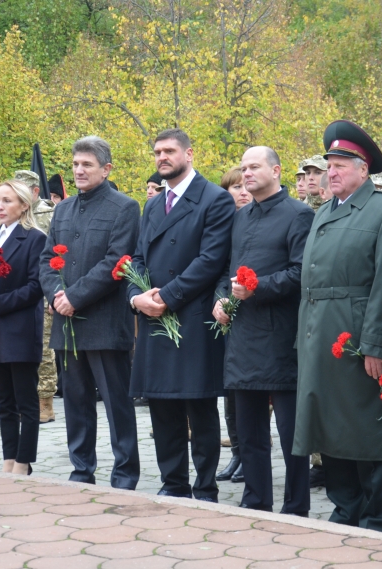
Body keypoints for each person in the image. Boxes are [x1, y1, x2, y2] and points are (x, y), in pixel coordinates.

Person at [294, 120, 382, 532]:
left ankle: (378, 517)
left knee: (368, 429)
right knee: (328, 427)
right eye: (330, 163)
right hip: (319, 335)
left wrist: (376, 343)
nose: (333, 171)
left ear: (365, 170)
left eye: (342, 163)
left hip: (357, 337)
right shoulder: (325, 210)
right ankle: (346, 509)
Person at [129, 128, 235, 501]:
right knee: (162, 408)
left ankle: (205, 487)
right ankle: (172, 483)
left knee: (198, 405)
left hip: (191, 317)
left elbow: (211, 260)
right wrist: (136, 298)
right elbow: (138, 259)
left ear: (189, 153)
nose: (162, 157)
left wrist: (167, 298)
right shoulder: (154, 204)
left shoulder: (214, 199)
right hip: (155, 318)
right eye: (157, 152)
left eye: (169, 151)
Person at [213, 146, 314, 515]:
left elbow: (303, 273)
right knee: (250, 432)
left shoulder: (299, 215)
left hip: (281, 337)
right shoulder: (240, 217)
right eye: (243, 168)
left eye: (254, 167)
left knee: (291, 437)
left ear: (276, 170)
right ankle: (255, 501)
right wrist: (222, 298)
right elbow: (227, 267)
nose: (247, 174)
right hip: (242, 337)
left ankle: (296, 507)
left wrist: (259, 287)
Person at [40, 136, 141, 489]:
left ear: (106, 169)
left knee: (116, 404)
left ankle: (125, 473)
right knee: (76, 403)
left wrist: (75, 296)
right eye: (75, 164)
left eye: (87, 165)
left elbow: (117, 262)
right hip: (67, 324)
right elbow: (46, 259)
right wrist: (56, 295)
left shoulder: (124, 208)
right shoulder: (63, 209)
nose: (79, 170)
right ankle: (81, 470)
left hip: (105, 323)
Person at [0, 180, 46, 475]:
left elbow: (35, 287)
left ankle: (23, 463)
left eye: (7, 201)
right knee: (4, 401)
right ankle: (8, 459)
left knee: (25, 402)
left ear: (24, 205)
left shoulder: (34, 239)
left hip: (19, 329)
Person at [215, 166, 251, 484]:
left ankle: (251, 455)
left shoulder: (257, 221)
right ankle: (237, 454)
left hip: (252, 314)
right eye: (234, 187)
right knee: (229, 392)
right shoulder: (223, 223)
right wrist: (219, 298)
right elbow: (219, 269)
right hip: (224, 315)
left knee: (247, 394)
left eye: (245, 185)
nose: (241, 191)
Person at [14, 169, 59, 423]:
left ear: (34, 191)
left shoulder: (51, 213)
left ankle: (45, 402)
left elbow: (61, 254)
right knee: (21, 348)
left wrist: (56, 292)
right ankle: (27, 399)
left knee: (42, 349)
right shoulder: (12, 214)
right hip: (19, 291)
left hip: (44, 291)